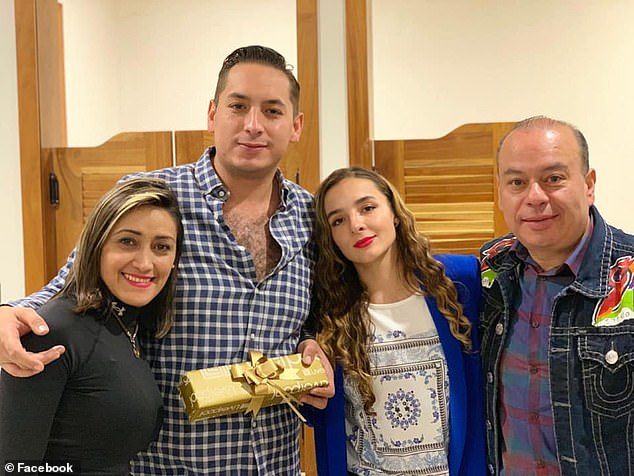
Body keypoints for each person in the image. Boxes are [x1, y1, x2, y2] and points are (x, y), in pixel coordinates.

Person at [0, 45, 333, 474]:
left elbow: (321, 315)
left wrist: (315, 341)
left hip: (276, 464)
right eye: (238, 106)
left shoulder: (313, 218)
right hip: (167, 464)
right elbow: (73, 285)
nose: (253, 125)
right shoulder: (154, 199)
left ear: (296, 126)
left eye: (272, 111)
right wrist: (11, 312)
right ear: (212, 114)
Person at [479, 115, 634, 475]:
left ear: (589, 184)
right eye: (517, 181)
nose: (534, 197)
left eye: (553, 179)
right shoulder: (489, 270)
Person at [308, 167, 486, 475]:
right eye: (338, 220)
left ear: (394, 212)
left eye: (367, 207)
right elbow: (316, 412)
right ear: (331, 237)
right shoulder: (326, 312)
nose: (356, 225)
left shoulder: (460, 282)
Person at [0, 177, 183, 474]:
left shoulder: (127, 328)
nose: (145, 263)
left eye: (161, 247)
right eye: (128, 242)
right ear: (96, 246)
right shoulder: (54, 331)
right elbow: (14, 467)